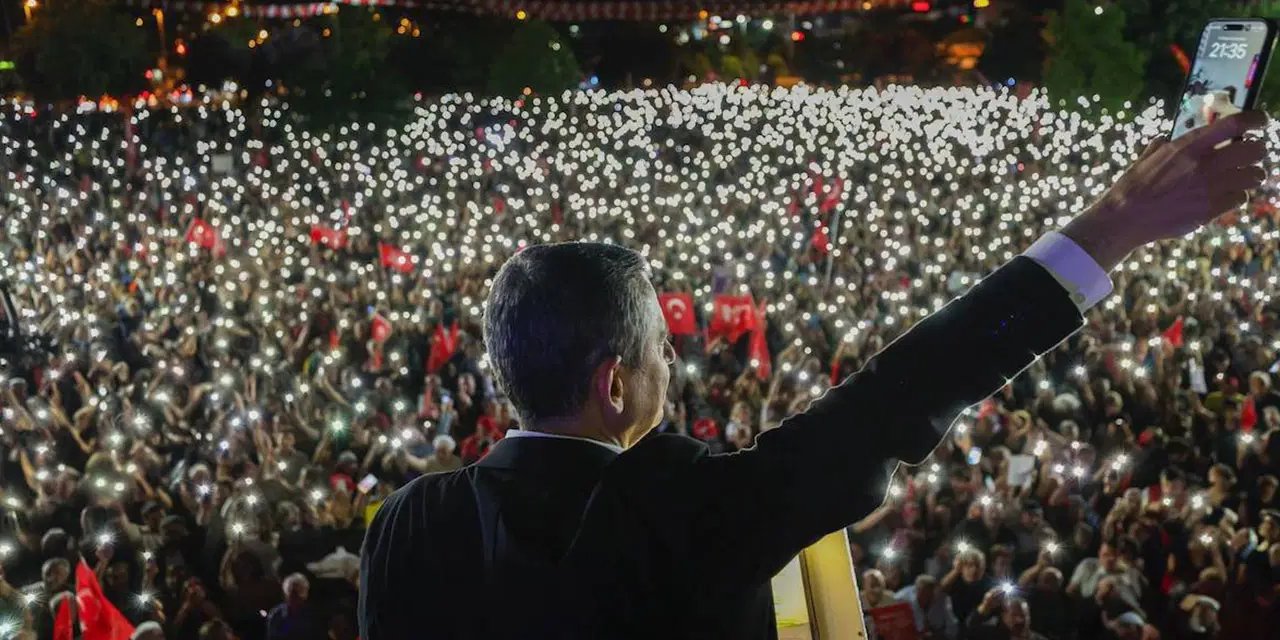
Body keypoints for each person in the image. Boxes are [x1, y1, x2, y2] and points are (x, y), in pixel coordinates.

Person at [358, 110, 1273, 638]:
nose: (675, 369)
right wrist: (1113, 223)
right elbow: (900, 395)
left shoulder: (407, 525)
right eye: (662, 354)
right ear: (613, 384)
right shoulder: (676, 507)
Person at [897, 574, 960, 640]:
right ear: (917, 591)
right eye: (923, 594)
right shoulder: (901, 599)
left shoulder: (942, 598)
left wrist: (938, 635)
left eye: (930, 595)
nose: (927, 599)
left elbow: (952, 627)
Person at [265, 574, 323, 640]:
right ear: (286, 593)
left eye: (300, 592)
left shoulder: (312, 614)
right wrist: (290, 618)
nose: (296, 597)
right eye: (293, 593)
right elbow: (277, 636)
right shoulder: (277, 614)